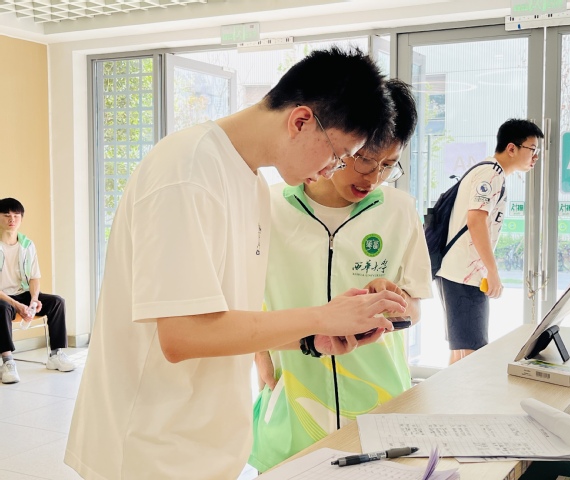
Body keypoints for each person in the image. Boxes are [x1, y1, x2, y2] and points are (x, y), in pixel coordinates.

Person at [65, 46, 408, 480]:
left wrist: (311, 339)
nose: (331, 170)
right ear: (301, 121)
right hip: (149, 447)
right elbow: (182, 335)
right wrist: (320, 315)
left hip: (207, 444)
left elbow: (227, 321)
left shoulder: (254, 185)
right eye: (338, 155)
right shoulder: (186, 170)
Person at [249, 79, 432, 472]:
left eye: (388, 165)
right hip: (294, 406)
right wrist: (260, 357)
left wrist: (395, 301)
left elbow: (415, 308)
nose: (373, 177)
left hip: (380, 406)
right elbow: (245, 300)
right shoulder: (268, 206)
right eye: (364, 159)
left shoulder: (400, 210)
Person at [436, 118, 544, 364]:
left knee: (461, 353)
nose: (535, 157)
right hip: (464, 275)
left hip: (457, 272)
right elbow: (476, 220)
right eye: (532, 149)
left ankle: (452, 392)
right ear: (511, 148)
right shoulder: (491, 174)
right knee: (473, 356)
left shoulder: (489, 171)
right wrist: (492, 272)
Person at [0, 197, 75, 385]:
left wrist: (34, 300)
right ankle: (7, 361)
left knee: (57, 302)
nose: (12, 219)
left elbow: (34, 277)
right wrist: (17, 305)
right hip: (3, 298)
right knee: (2, 308)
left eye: (16, 215)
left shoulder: (27, 245)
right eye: (6, 215)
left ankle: (56, 354)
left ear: (21, 218)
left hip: (22, 293)